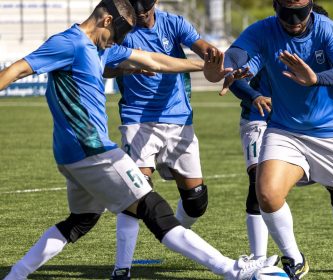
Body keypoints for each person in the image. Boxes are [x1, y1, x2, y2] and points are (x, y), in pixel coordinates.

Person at [0, 1, 278, 279]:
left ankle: (16, 275)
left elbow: (153, 59)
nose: (119, 42)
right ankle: (230, 270)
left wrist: (203, 67)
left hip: (72, 155)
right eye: (119, 35)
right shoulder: (68, 43)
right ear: (107, 21)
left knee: (81, 221)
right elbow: (17, 69)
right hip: (93, 151)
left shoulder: (99, 47)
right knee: (153, 208)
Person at [207, 0, 333, 279]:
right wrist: (225, 67)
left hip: (331, 132)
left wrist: (316, 78)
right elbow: (238, 55)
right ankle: (294, 258)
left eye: (300, 14)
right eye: (287, 15)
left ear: (310, 7)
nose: (294, 21)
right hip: (285, 130)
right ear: (276, 8)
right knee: (267, 194)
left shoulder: (327, 30)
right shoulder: (262, 31)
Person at [103, 1, 221, 278]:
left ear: (155, 3)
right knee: (135, 192)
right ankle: (122, 268)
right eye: (136, 9)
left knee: (196, 200)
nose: (141, 15)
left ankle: (176, 235)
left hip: (179, 119)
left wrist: (213, 57)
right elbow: (105, 67)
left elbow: (203, 47)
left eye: (146, 9)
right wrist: (128, 67)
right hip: (137, 120)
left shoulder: (174, 23)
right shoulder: (120, 29)